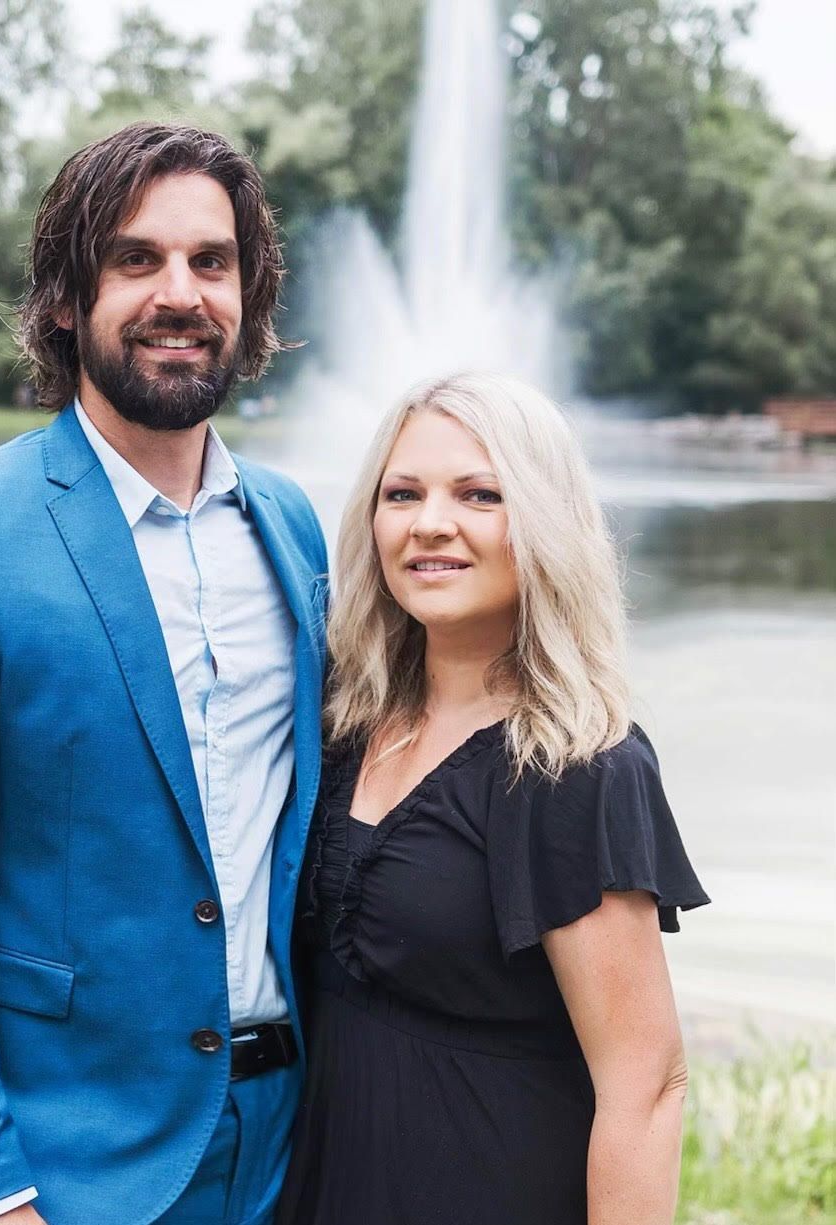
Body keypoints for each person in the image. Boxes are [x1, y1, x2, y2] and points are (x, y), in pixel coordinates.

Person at [0, 123, 327, 1225]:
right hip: (67, 1172)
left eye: (212, 262)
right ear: (67, 297)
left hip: (292, 1151)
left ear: (248, 298)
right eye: (134, 258)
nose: (181, 292)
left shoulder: (293, 530)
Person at [276, 372, 710, 1225]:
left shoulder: (576, 766)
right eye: (403, 493)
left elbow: (646, 1086)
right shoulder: (342, 719)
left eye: (480, 494)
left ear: (544, 523)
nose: (431, 522)